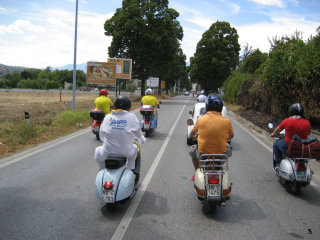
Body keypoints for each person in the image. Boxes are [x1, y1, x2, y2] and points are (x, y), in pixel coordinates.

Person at [189, 94, 234, 181]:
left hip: (203, 153)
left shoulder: (201, 119)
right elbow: (231, 136)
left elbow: (191, 135)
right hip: (221, 154)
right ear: (220, 107)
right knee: (228, 149)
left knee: (193, 151)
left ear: (207, 106)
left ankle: (197, 172)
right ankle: (220, 167)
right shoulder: (226, 121)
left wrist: (195, 137)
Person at [94, 95, 146, 171]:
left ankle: (102, 170)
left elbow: (101, 136)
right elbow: (138, 133)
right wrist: (142, 140)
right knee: (135, 148)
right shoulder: (132, 117)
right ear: (128, 106)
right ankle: (130, 169)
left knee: (97, 150)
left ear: (115, 105)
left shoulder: (108, 117)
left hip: (107, 152)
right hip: (126, 153)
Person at [270, 103, 311, 169]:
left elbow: (277, 130)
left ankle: (278, 164)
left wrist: (273, 134)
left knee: (275, 144)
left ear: (291, 111)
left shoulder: (287, 121)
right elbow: (308, 133)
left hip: (289, 146)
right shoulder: (307, 122)